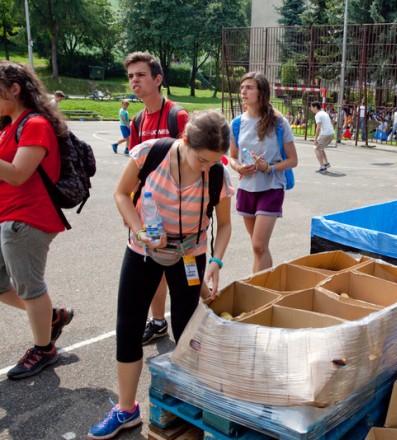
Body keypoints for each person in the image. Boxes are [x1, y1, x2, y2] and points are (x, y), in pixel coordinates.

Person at [88, 109, 233, 439]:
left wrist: (216, 262)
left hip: (190, 255)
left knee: (186, 328)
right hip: (143, 250)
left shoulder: (217, 174)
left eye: (214, 162)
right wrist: (139, 230)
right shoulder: (150, 154)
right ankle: (126, 408)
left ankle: (187, 398)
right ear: (185, 140)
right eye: (202, 160)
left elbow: (224, 225)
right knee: (128, 326)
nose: (206, 168)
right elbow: (121, 194)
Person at [0, 61, 74, 379]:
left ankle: (44, 350)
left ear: (14, 89)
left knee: (31, 288)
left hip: (27, 218)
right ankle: (51, 317)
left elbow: (18, 174)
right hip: (8, 215)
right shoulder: (8, 126)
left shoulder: (35, 124)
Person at [123, 51, 189, 345]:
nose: (134, 81)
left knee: (179, 271)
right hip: (148, 210)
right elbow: (134, 170)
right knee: (151, 266)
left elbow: (192, 162)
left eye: (141, 75)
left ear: (158, 79)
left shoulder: (178, 116)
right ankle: (159, 321)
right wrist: (130, 208)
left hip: (179, 210)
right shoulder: (137, 121)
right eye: (130, 76)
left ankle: (190, 325)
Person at [228, 71, 298, 273]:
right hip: (247, 187)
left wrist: (270, 167)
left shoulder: (279, 122)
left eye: (249, 88)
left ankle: (256, 286)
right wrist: (238, 167)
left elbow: (293, 160)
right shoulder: (237, 124)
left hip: (271, 187)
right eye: (242, 87)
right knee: (258, 246)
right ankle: (267, 283)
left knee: (259, 245)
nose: (243, 91)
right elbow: (232, 156)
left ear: (261, 92)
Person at [310, 101, 333, 173]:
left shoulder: (318, 115)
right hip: (331, 133)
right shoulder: (324, 113)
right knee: (321, 148)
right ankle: (326, 163)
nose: (311, 109)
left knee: (316, 149)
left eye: (312, 107)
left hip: (325, 133)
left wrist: (315, 138)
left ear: (315, 107)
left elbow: (318, 127)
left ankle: (322, 167)